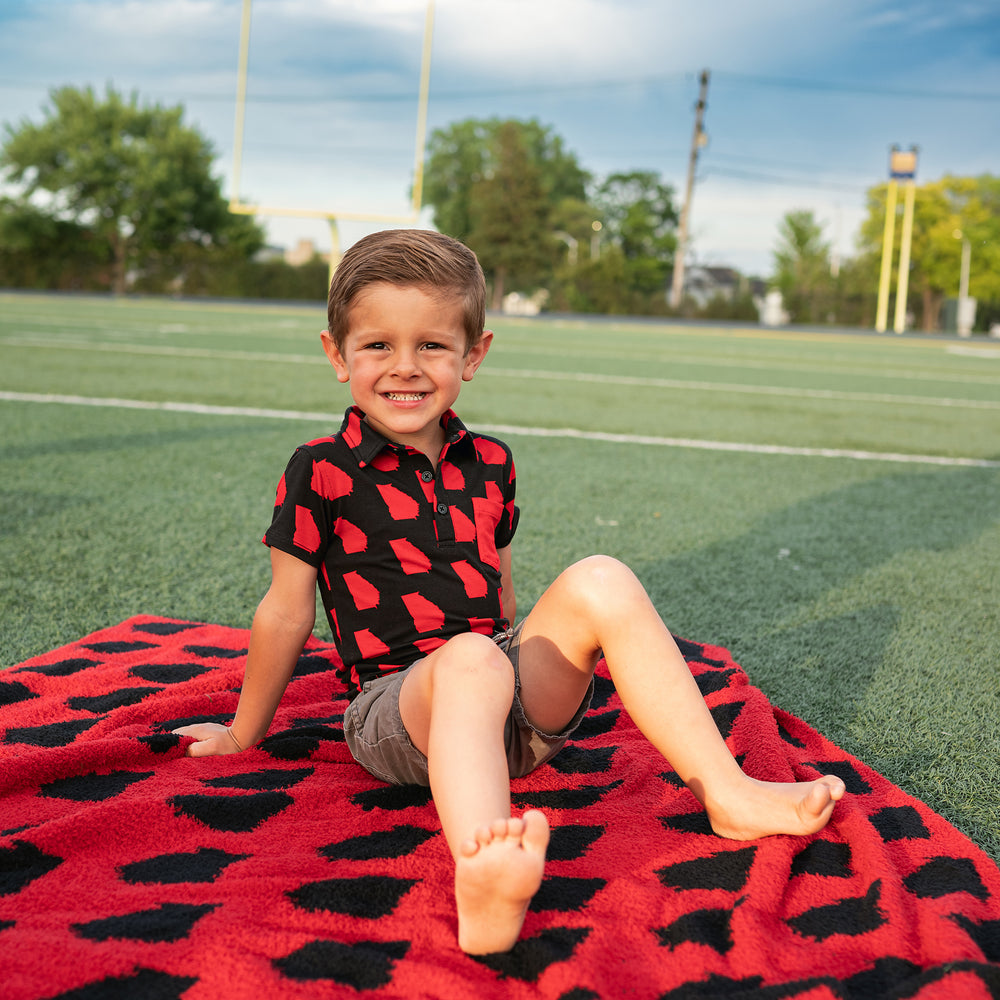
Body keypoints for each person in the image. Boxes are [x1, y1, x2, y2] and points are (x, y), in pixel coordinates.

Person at [173, 229, 845, 955]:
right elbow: (285, 610)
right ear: (338, 356)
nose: (406, 367)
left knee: (600, 577)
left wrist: (513, 658)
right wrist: (245, 732)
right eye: (378, 347)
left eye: (432, 345)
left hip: (507, 704)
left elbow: (501, 589)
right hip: (394, 715)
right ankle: (484, 870)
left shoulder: (491, 462)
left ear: (474, 355)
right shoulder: (321, 469)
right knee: (469, 660)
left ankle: (725, 792)